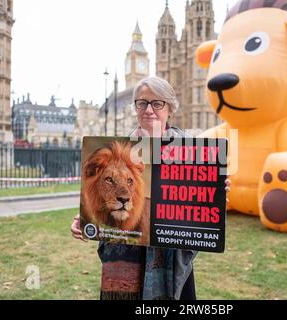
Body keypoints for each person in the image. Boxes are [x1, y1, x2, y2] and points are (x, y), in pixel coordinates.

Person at [71, 76, 230, 300]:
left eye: (157, 103)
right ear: (135, 107)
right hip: (126, 256)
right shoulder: (118, 149)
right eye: (142, 103)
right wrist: (84, 220)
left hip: (170, 256)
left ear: (170, 108)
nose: (149, 110)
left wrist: (218, 190)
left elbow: (204, 206)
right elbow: (100, 198)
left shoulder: (194, 150)